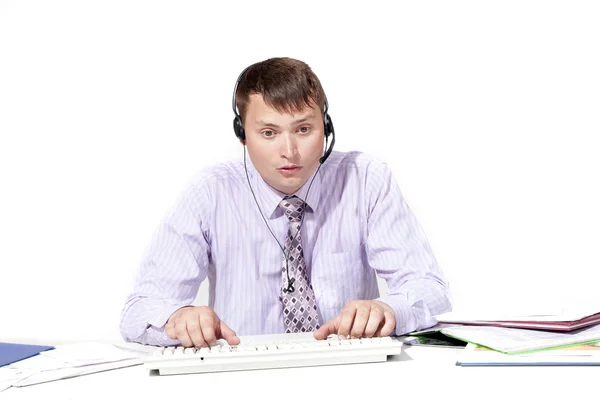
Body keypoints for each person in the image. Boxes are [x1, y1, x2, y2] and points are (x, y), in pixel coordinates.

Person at [119, 57, 452, 348]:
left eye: (304, 129)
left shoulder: (366, 179)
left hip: (349, 371)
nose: (289, 152)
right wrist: (178, 318)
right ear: (242, 134)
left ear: (327, 128)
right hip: (243, 376)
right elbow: (140, 309)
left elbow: (431, 290)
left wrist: (390, 308)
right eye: (268, 133)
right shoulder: (210, 192)